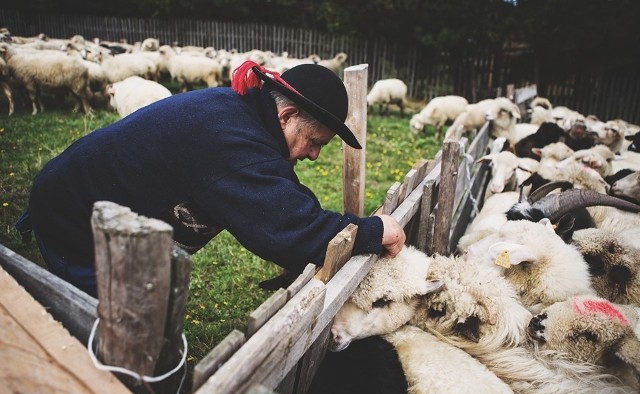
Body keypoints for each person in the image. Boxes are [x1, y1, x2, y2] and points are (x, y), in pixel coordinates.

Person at [15, 60, 406, 297]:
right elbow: (288, 228)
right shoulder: (232, 142)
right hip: (75, 216)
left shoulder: (247, 120)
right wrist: (374, 231)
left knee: (142, 297)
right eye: (314, 141)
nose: (315, 154)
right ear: (286, 117)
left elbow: (284, 196)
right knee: (112, 319)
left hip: (95, 198)